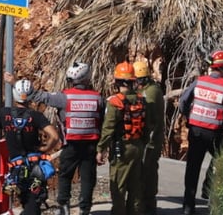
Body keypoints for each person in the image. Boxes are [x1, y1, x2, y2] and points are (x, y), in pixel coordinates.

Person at [24, 61, 104, 215]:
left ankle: (64, 206)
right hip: (90, 146)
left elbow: (39, 96)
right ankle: (85, 209)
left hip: (71, 146)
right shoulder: (98, 98)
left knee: (65, 176)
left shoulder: (65, 97)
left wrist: (16, 84)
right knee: (88, 178)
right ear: (87, 78)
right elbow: (103, 123)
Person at [178, 50, 223, 215]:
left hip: (196, 131)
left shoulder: (199, 82)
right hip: (215, 134)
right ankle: (214, 200)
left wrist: (188, 116)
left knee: (192, 167)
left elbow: (183, 102)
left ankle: (188, 206)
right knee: (222, 163)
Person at [0, 79, 61, 215]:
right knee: (33, 201)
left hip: (17, 168)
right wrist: (45, 149)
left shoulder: (4, 114)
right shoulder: (36, 116)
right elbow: (55, 136)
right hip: (35, 166)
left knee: (27, 200)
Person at [97, 62, 146, 215]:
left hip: (122, 149)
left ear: (118, 81)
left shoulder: (115, 102)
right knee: (135, 185)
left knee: (118, 184)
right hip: (138, 146)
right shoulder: (141, 99)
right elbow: (148, 124)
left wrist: (100, 149)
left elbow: (108, 128)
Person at [133, 59, 165, 215]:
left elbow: (146, 116)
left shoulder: (150, 93)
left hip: (150, 141)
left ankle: (143, 207)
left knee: (144, 173)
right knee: (149, 172)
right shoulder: (151, 89)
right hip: (151, 139)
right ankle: (148, 205)